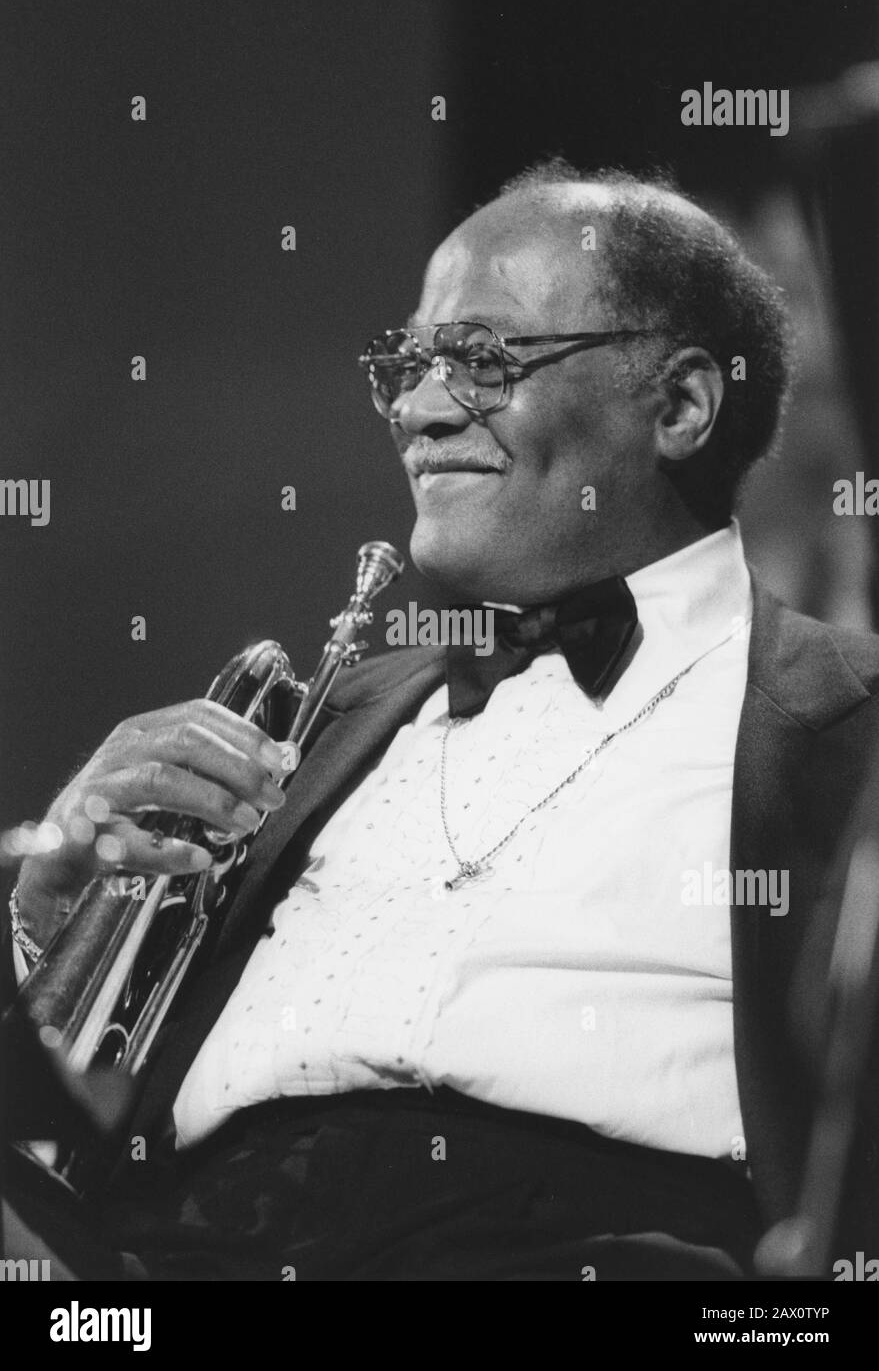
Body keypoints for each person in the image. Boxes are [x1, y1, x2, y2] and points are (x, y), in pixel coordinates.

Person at [8, 161, 879, 1281]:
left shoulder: (849, 719)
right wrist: (56, 939)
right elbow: (80, 1124)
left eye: (479, 360)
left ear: (679, 405)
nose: (418, 411)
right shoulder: (324, 720)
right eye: (407, 365)